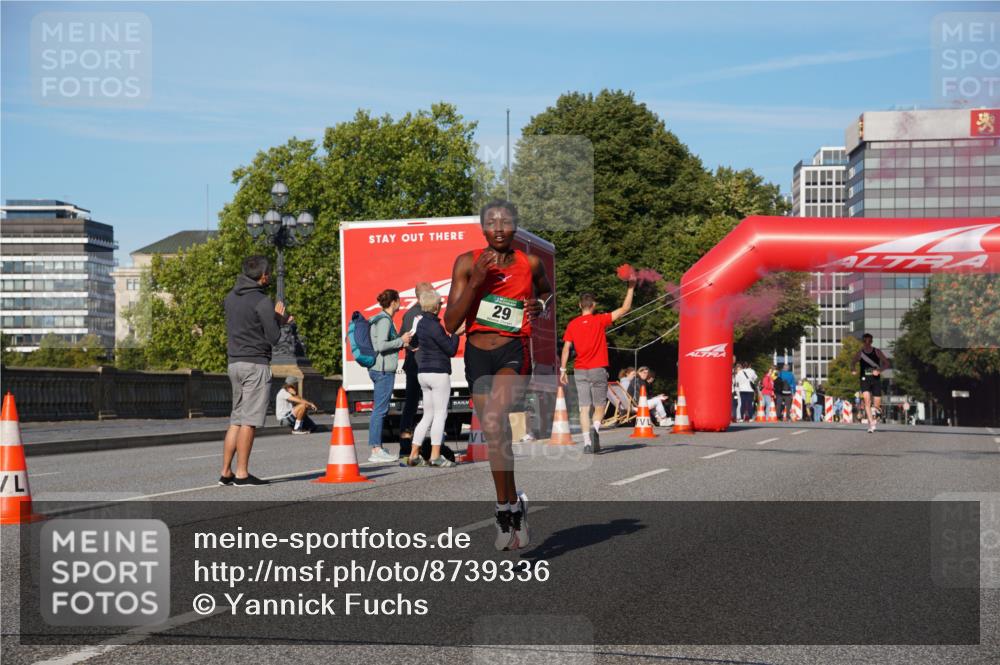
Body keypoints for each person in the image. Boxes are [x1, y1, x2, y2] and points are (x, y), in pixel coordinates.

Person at [444, 199, 552, 551]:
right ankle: (509, 506)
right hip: (476, 353)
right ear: (483, 228)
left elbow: (547, 291)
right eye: (492, 222)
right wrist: (475, 283)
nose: (500, 228)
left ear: (516, 226)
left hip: (513, 350)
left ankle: (507, 510)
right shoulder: (466, 262)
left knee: (493, 418)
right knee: (495, 433)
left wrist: (542, 304)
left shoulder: (530, 263)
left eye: (506, 221)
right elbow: (450, 322)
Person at [220, 255, 289, 487]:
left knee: (236, 420)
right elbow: (274, 337)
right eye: (267, 273)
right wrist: (280, 319)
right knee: (249, 421)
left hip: (234, 363)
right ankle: (242, 474)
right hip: (255, 364)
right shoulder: (262, 301)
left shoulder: (230, 297)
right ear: (262, 276)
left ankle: (225, 472)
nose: (269, 276)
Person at [559, 280, 636, 454]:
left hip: (579, 370)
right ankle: (595, 428)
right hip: (597, 369)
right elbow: (624, 309)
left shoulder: (572, 324)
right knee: (600, 405)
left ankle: (587, 442)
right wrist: (630, 288)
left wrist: (563, 370)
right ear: (594, 305)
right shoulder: (600, 320)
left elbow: (566, 348)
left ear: (580, 305)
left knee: (584, 407)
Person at [405, 288, 461, 468]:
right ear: (436, 306)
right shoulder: (434, 325)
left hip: (423, 372)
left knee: (427, 415)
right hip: (438, 373)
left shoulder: (420, 323)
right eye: (440, 303)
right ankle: (436, 456)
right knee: (440, 414)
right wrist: (455, 335)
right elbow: (450, 349)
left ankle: (414, 454)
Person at [368, 289, 414, 463]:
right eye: (399, 300)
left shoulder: (381, 319)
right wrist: (401, 340)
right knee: (380, 411)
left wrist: (400, 343)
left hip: (380, 369)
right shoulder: (385, 320)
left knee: (379, 410)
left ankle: (377, 447)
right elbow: (380, 345)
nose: (400, 303)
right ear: (394, 301)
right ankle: (376, 449)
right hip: (383, 371)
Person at [399, 281, 435, 460]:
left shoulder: (409, 313)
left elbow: (402, 337)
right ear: (423, 295)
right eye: (432, 291)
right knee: (431, 406)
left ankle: (407, 446)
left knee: (411, 405)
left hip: (413, 365)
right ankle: (430, 447)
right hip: (423, 365)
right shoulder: (421, 314)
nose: (435, 294)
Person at [852, 333, 890, 433]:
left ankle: (877, 412)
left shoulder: (877, 351)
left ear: (871, 342)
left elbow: (887, 363)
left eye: (869, 341)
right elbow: (853, 362)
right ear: (863, 342)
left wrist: (879, 370)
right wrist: (853, 369)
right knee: (867, 401)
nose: (867, 343)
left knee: (877, 405)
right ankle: (871, 423)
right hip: (864, 379)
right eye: (865, 341)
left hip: (875, 379)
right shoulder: (860, 353)